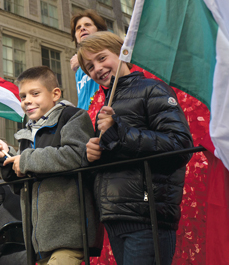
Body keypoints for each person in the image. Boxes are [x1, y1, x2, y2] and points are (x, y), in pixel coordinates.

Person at [77, 32, 193, 265]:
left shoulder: (152, 90)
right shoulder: (104, 105)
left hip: (148, 217)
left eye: (102, 58)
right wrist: (94, 157)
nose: (97, 68)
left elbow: (180, 146)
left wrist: (118, 132)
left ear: (123, 54)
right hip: (117, 218)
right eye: (90, 66)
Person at [0, 66, 99, 265]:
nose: (27, 100)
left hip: (69, 234)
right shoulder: (26, 133)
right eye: (23, 96)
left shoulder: (72, 116)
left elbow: (77, 155)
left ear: (55, 94)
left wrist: (26, 160)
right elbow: (19, 183)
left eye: (35, 93)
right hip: (39, 241)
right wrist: (6, 156)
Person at [69, 10, 107, 110]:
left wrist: (83, 57)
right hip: (86, 121)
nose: (82, 28)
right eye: (78, 28)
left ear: (99, 30)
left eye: (88, 25)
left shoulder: (109, 53)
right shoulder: (78, 70)